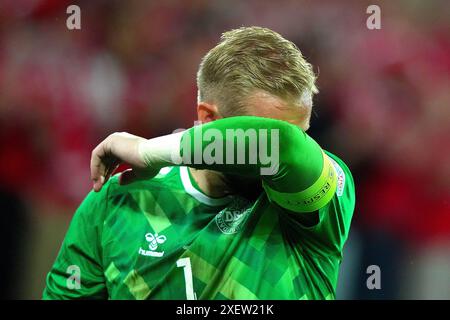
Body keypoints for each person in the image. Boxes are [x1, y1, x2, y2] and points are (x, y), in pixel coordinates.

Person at [43, 26, 355, 300]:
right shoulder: (120, 201)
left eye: (303, 133)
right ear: (207, 119)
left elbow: (284, 147)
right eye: (255, 129)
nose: (303, 145)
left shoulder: (322, 196)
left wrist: (147, 150)